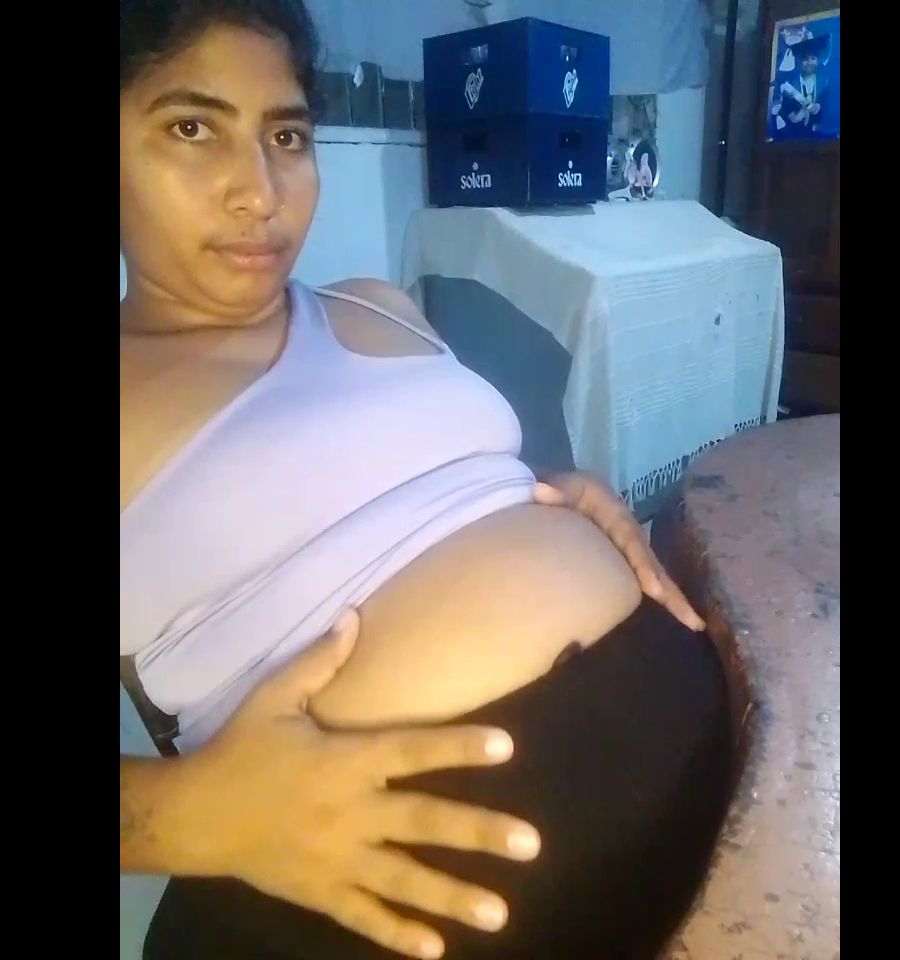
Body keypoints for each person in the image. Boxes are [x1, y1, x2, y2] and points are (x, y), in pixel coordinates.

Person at [119, 2, 730, 958]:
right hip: (409, 893)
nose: (258, 191)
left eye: (286, 136)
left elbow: (414, 493)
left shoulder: (376, 303)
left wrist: (552, 491)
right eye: (192, 129)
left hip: (701, 780)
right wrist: (190, 816)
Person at [770, 33, 832, 140]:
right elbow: (782, 107)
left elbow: (827, 101)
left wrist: (819, 106)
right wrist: (791, 115)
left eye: (813, 58)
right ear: (799, 61)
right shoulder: (788, 82)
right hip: (794, 135)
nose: (809, 62)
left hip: (820, 136)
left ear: (817, 61)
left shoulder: (825, 80)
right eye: (805, 59)